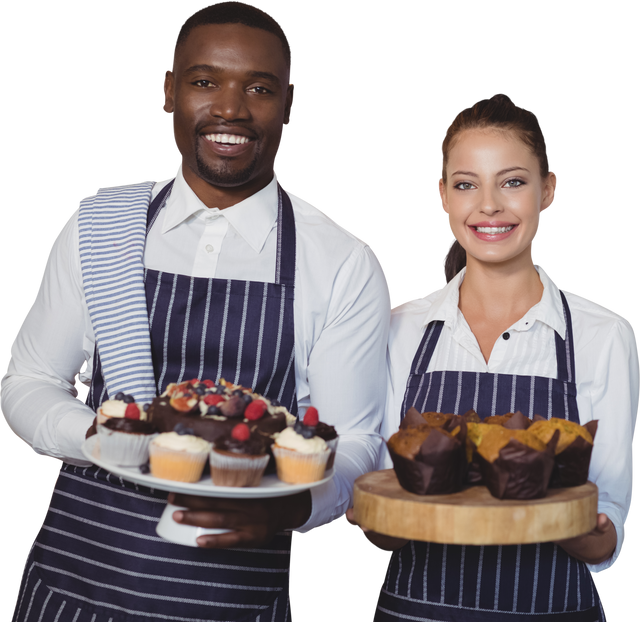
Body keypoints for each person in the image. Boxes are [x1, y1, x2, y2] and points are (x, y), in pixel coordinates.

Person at [2, 2, 391, 620]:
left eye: (258, 89)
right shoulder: (100, 224)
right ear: (168, 91)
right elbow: (28, 382)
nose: (230, 109)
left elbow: (357, 441)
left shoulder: (342, 260)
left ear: (289, 105)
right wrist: (105, 439)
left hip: (231, 599)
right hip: (73, 586)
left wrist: (289, 508)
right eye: (205, 81)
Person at [346, 91, 638, 620]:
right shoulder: (400, 327)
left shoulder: (605, 334)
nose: (488, 205)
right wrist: (372, 517)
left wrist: (588, 532)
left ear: (548, 190)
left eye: (512, 182)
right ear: (441, 196)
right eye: (466, 185)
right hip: (416, 609)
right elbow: (388, 513)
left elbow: (610, 521)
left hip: (553, 610)